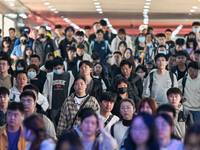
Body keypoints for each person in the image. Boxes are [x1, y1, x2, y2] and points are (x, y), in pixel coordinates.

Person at [43, 56, 74, 127]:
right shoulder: (50, 76)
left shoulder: (69, 75)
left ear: (63, 66)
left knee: (66, 124)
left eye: (59, 68)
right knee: (54, 124)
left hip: (65, 104)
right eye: (55, 69)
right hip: (54, 105)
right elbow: (46, 91)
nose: (57, 70)